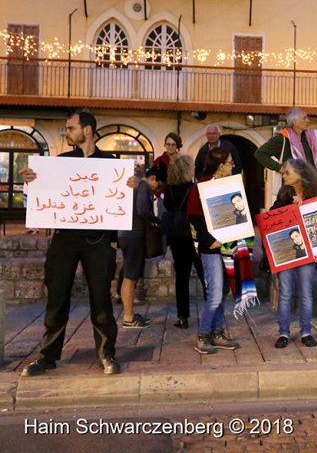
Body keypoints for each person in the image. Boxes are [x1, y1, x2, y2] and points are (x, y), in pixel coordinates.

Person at [19, 110, 133, 376]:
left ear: (88, 130)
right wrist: (31, 184)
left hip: (98, 240)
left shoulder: (110, 163)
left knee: (101, 300)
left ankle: (107, 355)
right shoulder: (61, 162)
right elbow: (42, 196)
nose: (66, 133)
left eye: (70, 128)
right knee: (56, 297)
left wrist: (129, 185)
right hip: (64, 240)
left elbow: (119, 196)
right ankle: (47, 356)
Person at [187, 148, 241, 355]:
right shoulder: (201, 187)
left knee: (223, 291)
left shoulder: (230, 185)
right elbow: (194, 218)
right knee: (215, 293)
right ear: (220, 165)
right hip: (210, 247)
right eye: (230, 162)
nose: (233, 165)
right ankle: (203, 336)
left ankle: (217, 333)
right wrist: (210, 240)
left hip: (228, 245)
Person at [272, 158, 317, 349]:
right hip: (287, 251)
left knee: (306, 293)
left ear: (300, 174)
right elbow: (272, 216)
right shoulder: (284, 194)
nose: (284, 175)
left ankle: (306, 332)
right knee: (285, 292)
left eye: (287, 172)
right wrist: (290, 207)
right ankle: (283, 333)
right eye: (284, 173)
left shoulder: (316, 195)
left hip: (308, 251)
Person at [118, 164, 164, 329]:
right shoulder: (143, 185)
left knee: (130, 275)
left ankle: (129, 314)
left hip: (125, 234)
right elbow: (142, 209)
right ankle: (128, 318)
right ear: (152, 179)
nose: (157, 189)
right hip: (134, 235)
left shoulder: (136, 185)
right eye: (157, 185)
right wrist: (155, 221)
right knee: (130, 277)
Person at [163, 154, 201, 330]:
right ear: (186, 169)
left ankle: (183, 317)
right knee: (203, 273)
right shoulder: (194, 188)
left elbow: (168, 208)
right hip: (192, 235)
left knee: (182, 277)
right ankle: (212, 311)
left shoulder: (169, 189)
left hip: (176, 236)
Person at [254, 108, 317, 184]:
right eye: (304, 118)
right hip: (293, 187)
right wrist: (280, 168)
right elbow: (260, 153)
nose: (308, 121)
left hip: (312, 185)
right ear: (294, 121)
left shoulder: (312, 136)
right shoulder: (283, 139)